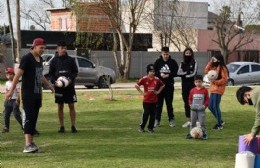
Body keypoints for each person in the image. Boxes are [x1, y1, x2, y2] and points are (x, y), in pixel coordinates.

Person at [6, 37, 54, 153]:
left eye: (44, 48)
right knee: (28, 117)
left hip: (38, 93)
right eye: (41, 48)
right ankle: (27, 145)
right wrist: (11, 90)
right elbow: (18, 75)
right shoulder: (27, 58)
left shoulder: (40, 59)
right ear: (34, 46)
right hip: (28, 94)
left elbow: (40, 75)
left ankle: (31, 142)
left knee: (34, 118)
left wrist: (49, 85)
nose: (43, 50)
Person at [48, 41, 78, 133]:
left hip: (69, 87)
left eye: (65, 48)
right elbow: (51, 74)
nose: (64, 50)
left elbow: (75, 72)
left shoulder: (71, 60)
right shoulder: (53, 61)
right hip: (59, 88)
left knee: (71, 105)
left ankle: (73, 126)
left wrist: (70, 80)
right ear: (57, 49)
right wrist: (55, 82)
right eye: (62, 48)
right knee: (60, 106)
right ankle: (62, 126)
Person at [135, 64, 165, 133]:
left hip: (154, 100)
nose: (152, 73)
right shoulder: (144, 78)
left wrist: (158, 92)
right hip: (146, 101)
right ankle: (141, 127)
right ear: (148, 72)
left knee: (153, 115)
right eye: (151, 71)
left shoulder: (157, 79)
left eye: (153, 71)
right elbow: (136, 85)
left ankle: (150, 128)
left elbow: (163, 85)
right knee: (145, 114)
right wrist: (142, 93)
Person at [154, 46, 179, 127]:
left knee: (169, 104)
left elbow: (176, 72)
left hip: (169, 86)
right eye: (164, 54)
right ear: (161, 53)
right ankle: (157, 120)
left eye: (167, 54)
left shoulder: (173, 62)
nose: (165, 56)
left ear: (169, 53)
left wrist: (169, 75)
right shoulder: (158, 62)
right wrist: (160, 74)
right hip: (159, 87)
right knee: (158, 104)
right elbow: (154, 72)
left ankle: (171, 120)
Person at [204, 54, 229, 130]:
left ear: (219, 60)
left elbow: (224, 79)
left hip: (218, 90)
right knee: (210, 106)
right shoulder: (214, 67)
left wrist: (215, 82)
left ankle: (219, 125)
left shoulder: (222, 68)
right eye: (213, 59)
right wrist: (210, 62)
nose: (213, 60)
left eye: (214, 59)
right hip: (213, 89)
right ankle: (220, 121)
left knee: (215, 106)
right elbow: (206, 71)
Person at [177, 48, 198, 128]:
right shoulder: (182, 63)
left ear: (191, 54)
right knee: (186, 102)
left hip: (192, 85)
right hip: (184, 85)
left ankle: (195, 120)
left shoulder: (194, 62)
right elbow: (178, 72)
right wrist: (186, 73)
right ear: (184, 54)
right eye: (186, 53)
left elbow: (194, 73)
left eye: (189, 53)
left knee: (193, 102)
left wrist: (185, 75)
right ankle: (188, 121)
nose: (188, 54)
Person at [186, 75, 209, 140]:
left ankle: (204, 134)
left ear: (202, 82)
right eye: (196, 82)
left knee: (202, 122)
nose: (198, 83)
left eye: (199, 82)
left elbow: (207, 99)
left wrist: (204, 106)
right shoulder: (192, 90)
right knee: (192, 122)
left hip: (201, 110)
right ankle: (191, 133)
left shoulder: (205, 90)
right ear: (194, 82)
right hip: (193, 110)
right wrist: (190, 105)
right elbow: (189, 99)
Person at [2, 68, 23, 133]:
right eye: (7, 75)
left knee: (16, 114)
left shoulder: (16, 83)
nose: (9, 76)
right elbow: (6, 91)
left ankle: (23, 126)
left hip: (14, 101)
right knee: (6, 114)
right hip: (8, 101)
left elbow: (19, 92)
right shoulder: (7, 83)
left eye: (10, 74)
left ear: (14, 75)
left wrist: (17, 100)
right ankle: (6, 127)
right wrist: (6, 99)